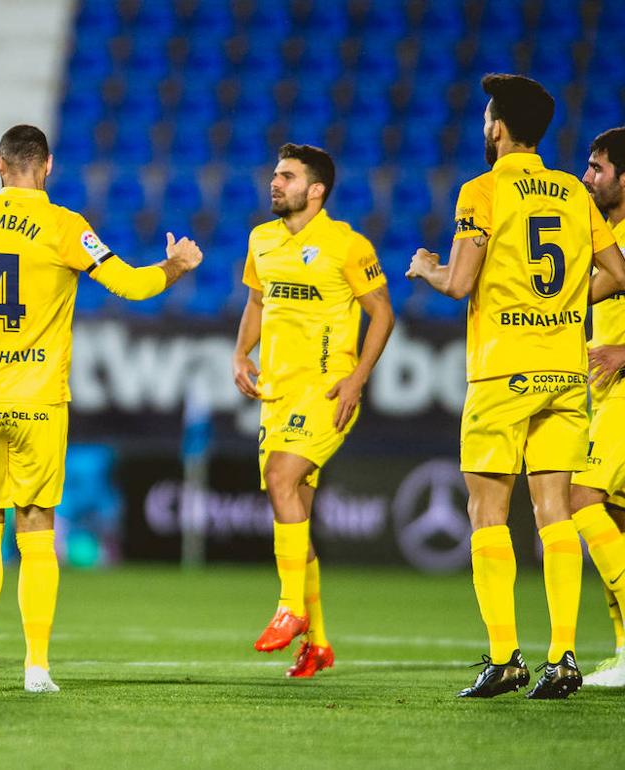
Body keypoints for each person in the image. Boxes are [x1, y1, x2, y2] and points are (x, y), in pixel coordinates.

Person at [0, 124, 202, 693]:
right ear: (46, 165)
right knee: (36, 528)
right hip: (39, 399)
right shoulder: (66, 227)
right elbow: (130, 285)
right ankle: (36, 667)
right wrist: (174, 265)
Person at [407, 74, 625, 699]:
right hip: (563, 371)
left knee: (487, 512)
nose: (484, 128)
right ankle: (563, 658)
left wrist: (427, 269)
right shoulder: (572, 194)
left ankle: (505, 657)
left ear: (497, 128)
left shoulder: (482, 191)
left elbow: (458, 284)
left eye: (485, 120)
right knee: (555, 514)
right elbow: (618, 273)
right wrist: (560, 303)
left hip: (503, 370)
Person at [231, 144, 394, 678]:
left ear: (316, 189)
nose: (274, 183)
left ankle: (290, 608)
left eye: (286, 176)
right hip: (277, 395)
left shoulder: (346, 244)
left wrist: (356, 378)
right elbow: (258, 302)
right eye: (274, 174)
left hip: (326, 392)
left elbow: (382, 314)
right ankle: (319, 643)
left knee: (282, 479)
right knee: (292, 508)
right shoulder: (262, 239)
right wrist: (240, 354)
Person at [572, 126, 625, 687]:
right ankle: (623, 651)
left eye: (597, 168)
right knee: (611, 515)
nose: (588, 177)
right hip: (606, 396)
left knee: (578, 496)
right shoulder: (606, 236)